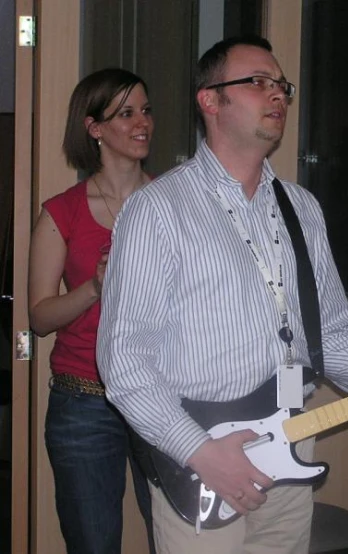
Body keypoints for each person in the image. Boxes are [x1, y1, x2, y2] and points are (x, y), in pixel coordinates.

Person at [96, 36, 348, 554]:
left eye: (282, 86)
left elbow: (331, 338)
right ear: (210, 100)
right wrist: (200, 452)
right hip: (204, 458)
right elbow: (123, 361)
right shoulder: (158, 210)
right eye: (257, 82)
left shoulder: (300, 208)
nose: (277, 95)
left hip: (290, 447)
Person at [28, 68, 155, 554]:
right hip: (83, 401)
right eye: (125, 113)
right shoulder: (62, 211)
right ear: (94, 128)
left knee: (181, 538)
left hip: (161, 397)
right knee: (94, 545)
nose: (142, 122)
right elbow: (39, 317)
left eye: (145, 110)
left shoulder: (174, 202)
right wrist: (96, 286)